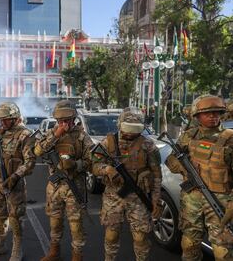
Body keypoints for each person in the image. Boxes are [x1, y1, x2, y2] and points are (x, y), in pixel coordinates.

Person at [165, 95, 233, 261]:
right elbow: (170, 161)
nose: (213, 116)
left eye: (216, 112)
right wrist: (183, 166)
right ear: (197, 116)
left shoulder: (229, 139)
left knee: (222, 250)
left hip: (219, 200)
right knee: (189, 243)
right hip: (192, 197)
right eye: (207, 113)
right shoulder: (189, 136)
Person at [92, 108, 162, 261]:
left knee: (140, 238)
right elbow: (94, 166)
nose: (130, 133)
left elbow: (157, 176)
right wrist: (107, 169)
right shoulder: (108, 142)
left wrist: (156, 200)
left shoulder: (148, 145)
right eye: (128, 128)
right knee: (111, 235)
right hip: (113, 195)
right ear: (120, 125)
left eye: (135, 129)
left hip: (139, 197)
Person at [34, 100, 94, 261]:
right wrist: (56, 135)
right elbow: (38, 150)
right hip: (54, 187)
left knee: (75, 224)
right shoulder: (52, 133)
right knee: (55, 221)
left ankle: (77, 255)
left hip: (74, 186)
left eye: (66, 120)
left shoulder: (81, 136)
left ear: (73, 118)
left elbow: (92, 160)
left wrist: (76, 164)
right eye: (60, 120)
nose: (63, 123)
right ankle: (54, 252)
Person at [0, 102, 36, 261]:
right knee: (0, 214)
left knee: (15, 216)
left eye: (5, 120)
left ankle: (17, 249)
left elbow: (30, 162)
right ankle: (0, 244)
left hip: (14, 183)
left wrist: (15, 176)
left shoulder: (25, 135)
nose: (2, 122)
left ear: (14, 118)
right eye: (0, 120)